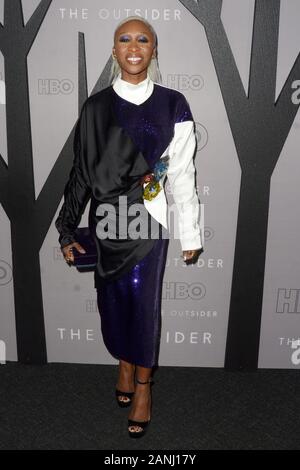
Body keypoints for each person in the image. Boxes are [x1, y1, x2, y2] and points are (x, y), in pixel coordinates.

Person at [55, 15, 203, 438]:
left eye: (143, 39)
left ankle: (142, 387)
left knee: (143, 308)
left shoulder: (173, 104)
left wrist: (190, 233)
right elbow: (80, 173)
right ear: (114, 50)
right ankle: (123, 362)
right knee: (112, 304)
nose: (134, 46)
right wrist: (67, 229)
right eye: (125, 39)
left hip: (147, 223)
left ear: (153, 49)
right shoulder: (96, 106)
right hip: (105, 221)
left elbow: (182, 176)